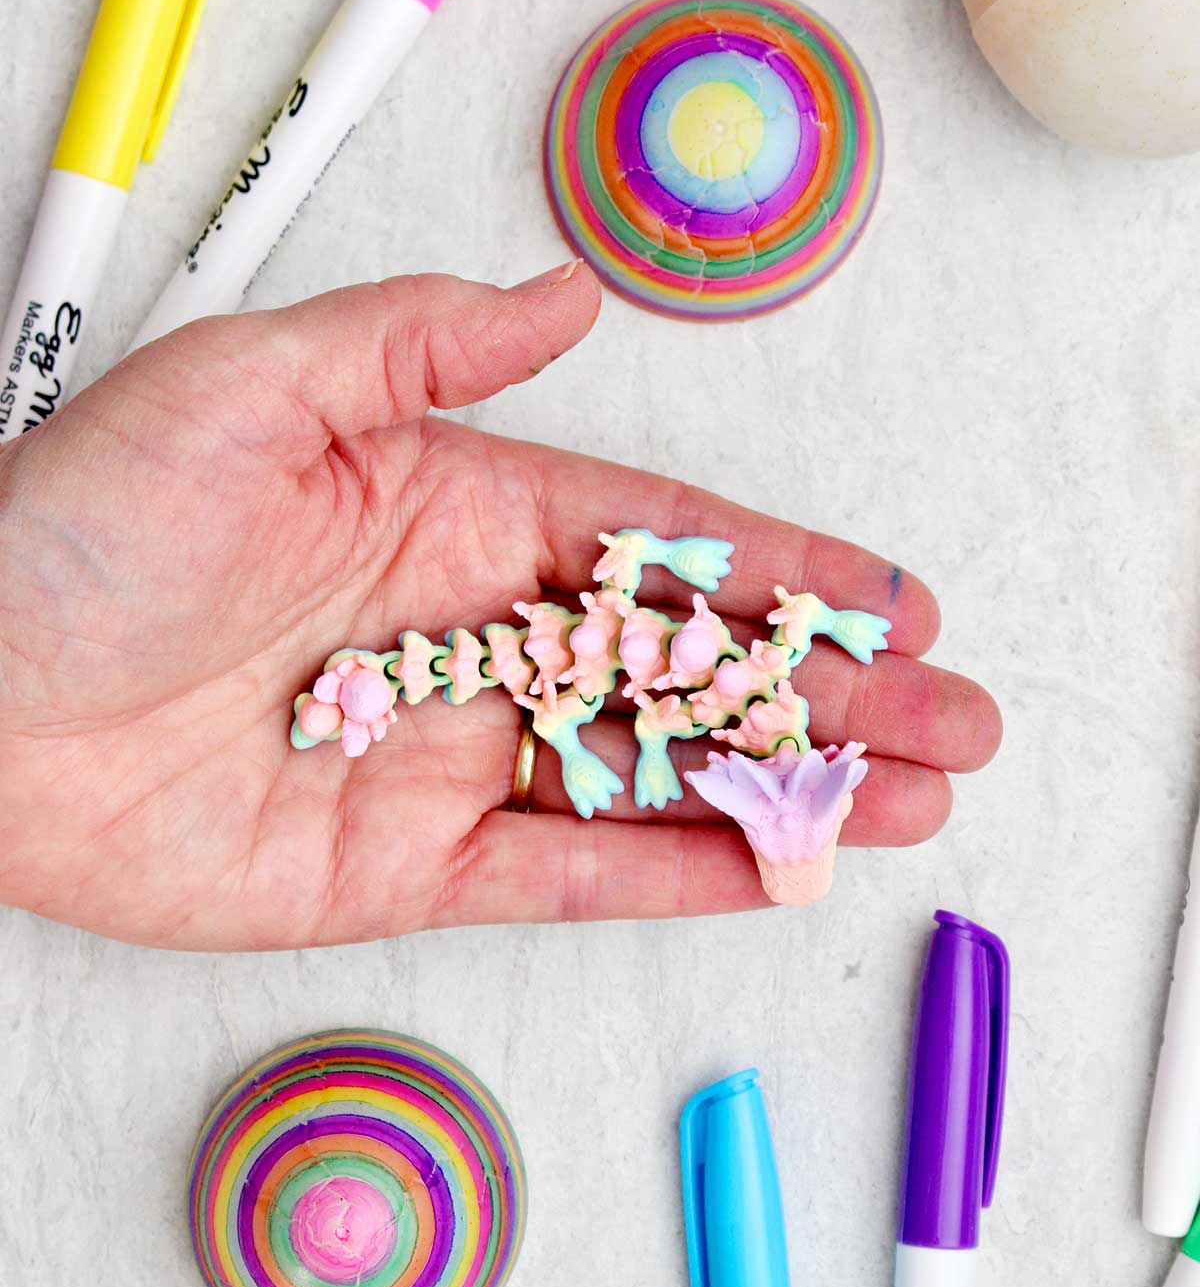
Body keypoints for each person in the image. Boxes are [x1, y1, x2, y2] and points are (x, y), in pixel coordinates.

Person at [0, 262, 1000, 949]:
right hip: (571, 657)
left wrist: (803, 639)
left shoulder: (767, 710)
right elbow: (736, 658)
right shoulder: (774, 688)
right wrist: (631, 701)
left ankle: (430, 689)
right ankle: (404, 685)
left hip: (602, 666)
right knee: (593, 700)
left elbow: (727, 668)